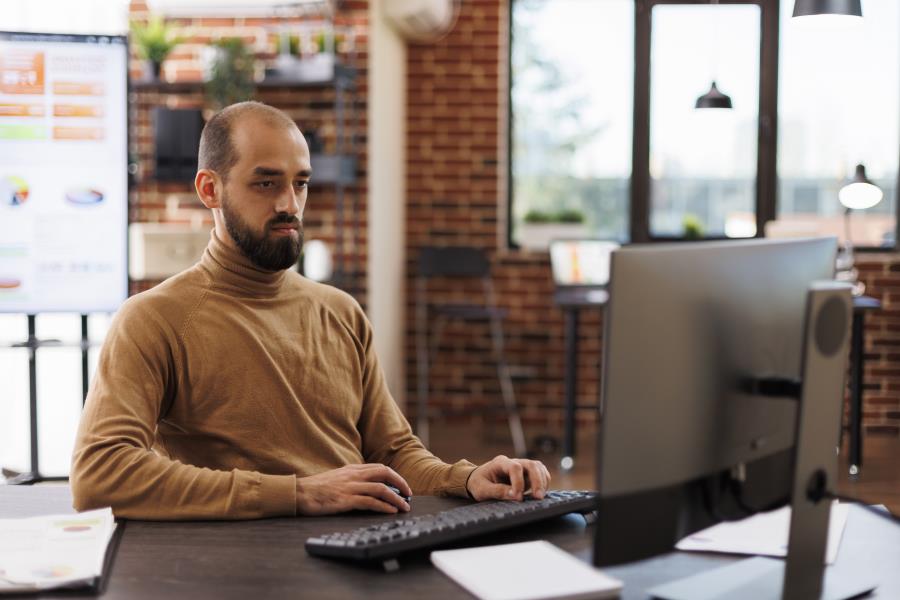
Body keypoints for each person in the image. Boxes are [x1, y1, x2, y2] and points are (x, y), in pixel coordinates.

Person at [70, 101, 551, 520]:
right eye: (265, 183)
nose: (289, 205)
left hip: (361, 550)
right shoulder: (153, 320)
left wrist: (465, 480)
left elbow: (394, 452)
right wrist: (300, 494)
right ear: (210, 189)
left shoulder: (340, 311)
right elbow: (100, 474)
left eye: (300, 183)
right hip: (239, 563)